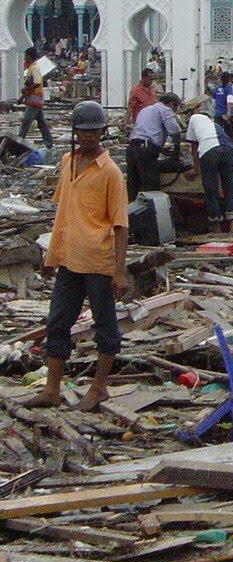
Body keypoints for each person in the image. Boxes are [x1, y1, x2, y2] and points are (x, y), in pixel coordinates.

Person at [28, 101, 129, 411]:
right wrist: (51, 255)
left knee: (104, 325)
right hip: (69, 258)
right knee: (58, 321)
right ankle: (52, 389)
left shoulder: (110, 172)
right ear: (75, 133)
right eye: (82, 132)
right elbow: (64, 213)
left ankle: (99, 387)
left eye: (93, 132)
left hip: (98, 260)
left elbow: (121, 225)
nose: (87, 137)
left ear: (102, 132)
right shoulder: (67, 163)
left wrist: (119, 271)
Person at [186, 110, 233, 233]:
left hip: (209, 151)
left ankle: (216, 228)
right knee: (231, 188)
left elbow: (194, 147)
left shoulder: (193, 119)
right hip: (228, 150)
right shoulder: (215, 125)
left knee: (211, 190)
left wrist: (196, 169)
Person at [126, 93, 182, 201]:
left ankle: (132, 215)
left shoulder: (145, 110)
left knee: (133, 187)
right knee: (150, 189)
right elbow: (174, 131)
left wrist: (160, 148)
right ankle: (149, 216)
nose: (175, 112)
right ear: (171, 104)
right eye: (176, 108)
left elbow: (145, 130)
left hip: (132, 148)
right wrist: (177, 149)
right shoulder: (166, 110)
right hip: (145, 151)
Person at [18, 48, 54, 151]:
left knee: (26, 122)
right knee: (41, 123)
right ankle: (49, 144)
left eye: (26, 55)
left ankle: (18, 142)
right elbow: (29, 85)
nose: (25, 58)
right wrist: (22, 97)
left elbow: (37, 83)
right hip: (33, 99)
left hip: (35, 100)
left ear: (30, 56)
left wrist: (25, 90)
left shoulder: (34, 68)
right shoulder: (30, 69)